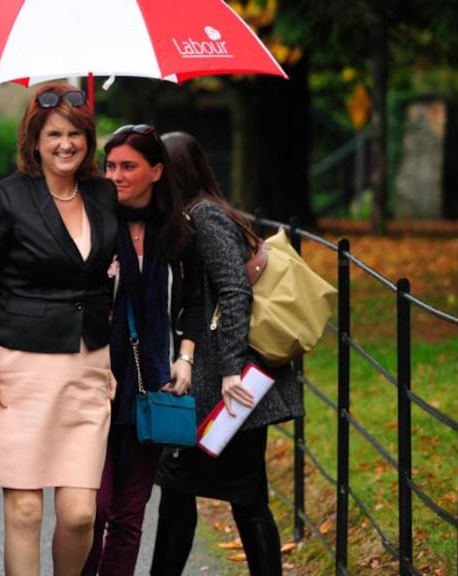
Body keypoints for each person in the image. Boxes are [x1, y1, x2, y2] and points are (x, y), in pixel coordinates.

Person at [0, 82, 119, 576]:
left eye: (75, 133)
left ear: (88, 140)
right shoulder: (5, 199)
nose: (65, 144)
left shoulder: (104, 195)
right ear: (34, 140)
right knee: (25, 511)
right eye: (53, 134)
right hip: (17, 372)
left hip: (87, 370)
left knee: (80, 513)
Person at [149, 130, 303, 576]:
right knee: (191, 492)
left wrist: (231, 370)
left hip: (226, 388)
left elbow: (236, 293)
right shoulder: (196, 215)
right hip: (214, 385)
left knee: (239, 496)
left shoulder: (207, 219)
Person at [82, 124, 198, 576]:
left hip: (154, 383)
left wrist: (185, 356)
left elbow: (195, 302)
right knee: (94, 509)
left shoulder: (178, 234)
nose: (116, 176)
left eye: (128, 166)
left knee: (130, 515)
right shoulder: (92, 225)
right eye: (109, 166)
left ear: (156, 170)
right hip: (96, 382)